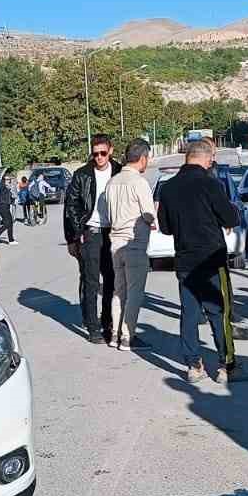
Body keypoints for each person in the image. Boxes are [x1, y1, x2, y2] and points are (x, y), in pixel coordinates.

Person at [158, 138, 248, 384]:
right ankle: (226, 366)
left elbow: (165, 228)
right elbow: (230, 216)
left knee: (189, 313)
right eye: (211, 160)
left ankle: (193, 365)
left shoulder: (168, 188)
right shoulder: (211, 183)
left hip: (185, 260)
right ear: (206, 158)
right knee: (219, 312)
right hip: (211, 258)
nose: (212, 163)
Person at [64, 136, 121, 344]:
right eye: (95, 153)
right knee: (90, 280)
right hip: (91, 232)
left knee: (111, 280)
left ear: (110, 151)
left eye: (103, 153)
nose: (99, 157)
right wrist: (72, 237)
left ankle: (107, 322)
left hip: (113, 233)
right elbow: (70, 206)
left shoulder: (119, 171)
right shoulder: (82, 175)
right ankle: (92, 326)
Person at [106, 138, 158, 350]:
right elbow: (148, 216)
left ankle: (114, 335)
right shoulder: (139, 183)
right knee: (135, 293)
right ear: (143, 158)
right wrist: (154, 217)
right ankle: (128, 336)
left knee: (118, 292)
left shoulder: (112, 182)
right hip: (134, 244)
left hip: (115, 242)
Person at [0, 172, 16, 244]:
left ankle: (11, 240)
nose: (8, 181)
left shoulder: (7, 187)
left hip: (6, 206)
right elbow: (2, 189)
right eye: (6, 179)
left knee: (10, 223)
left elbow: (11, 197)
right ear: (3, 180)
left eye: (9, 180)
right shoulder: (1, 186)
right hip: (2, 206)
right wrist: (7, 186)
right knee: (7, 223)